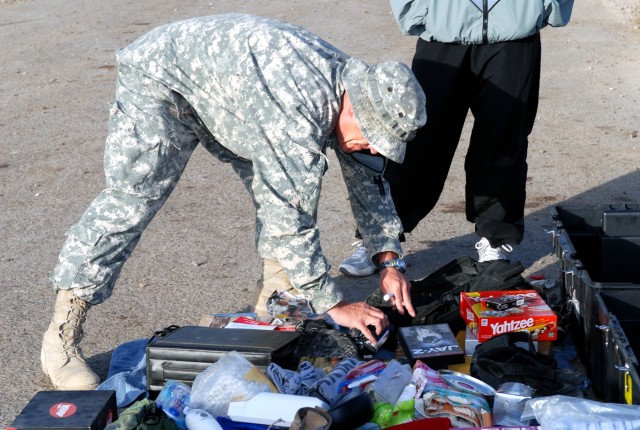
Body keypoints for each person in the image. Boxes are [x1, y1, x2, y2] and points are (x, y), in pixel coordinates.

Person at [41, 13, 426, 391]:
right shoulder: (298, 106)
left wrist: (389, 261)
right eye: (371, 136)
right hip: (162, 78)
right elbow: (288, 214)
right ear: (355, 105)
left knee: (287, 183)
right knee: (133, 198)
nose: (373, 148)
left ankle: (278, 311)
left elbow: (367, 181)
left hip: (235, 94)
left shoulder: (354, 92)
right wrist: (333, 303)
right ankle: (61, 336)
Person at [339, 0, 574, 276]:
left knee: (504, 142)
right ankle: (379, 240)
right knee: (417, 142)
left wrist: (546, 6)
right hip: (443, 28)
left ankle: (494, 238)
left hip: (515, 32)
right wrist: (419, 11)